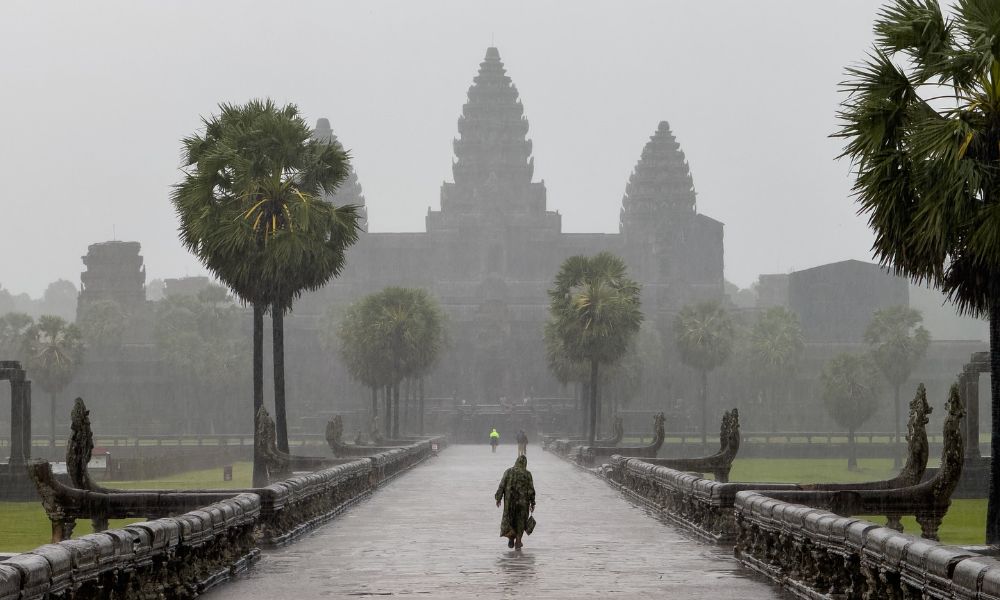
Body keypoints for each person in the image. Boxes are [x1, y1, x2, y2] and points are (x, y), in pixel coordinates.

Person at [495, 455, 536, 549]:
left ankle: (511, 538)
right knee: (521, 522)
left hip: (510, 502)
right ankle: (518, 540)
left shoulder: (508, 472)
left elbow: (502, 485)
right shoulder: (527, 474)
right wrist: (532, 503)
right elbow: (531, 490)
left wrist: (498, 498)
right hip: (523, 504)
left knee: (510, 520)